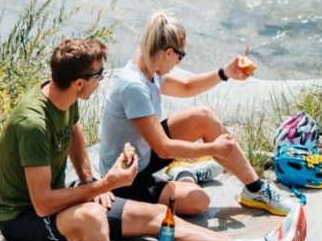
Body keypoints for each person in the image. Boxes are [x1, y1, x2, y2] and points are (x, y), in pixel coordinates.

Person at [0, 37, 307, 241]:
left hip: (58, 203)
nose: (102, 80)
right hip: (24, 221)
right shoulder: (33, 124)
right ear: (80, 83)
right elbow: (41, 203)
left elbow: (74, 130)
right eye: (99, 76)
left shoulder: (62, 96)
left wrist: (93, 182)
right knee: (92, 218)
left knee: (160, 219)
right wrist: (105, 183)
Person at [99, 11, 298, 218]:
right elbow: (164, 149)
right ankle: (185, 174)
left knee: (204, 117)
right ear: (168, 53)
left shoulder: (149, 68)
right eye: (181, 55)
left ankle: (256, 189)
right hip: (125, 177)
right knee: (198, 202)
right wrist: (213, 148)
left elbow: (186, 87)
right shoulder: (134, 86)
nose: (180, 62)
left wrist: (225, 73)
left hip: (145, 153)